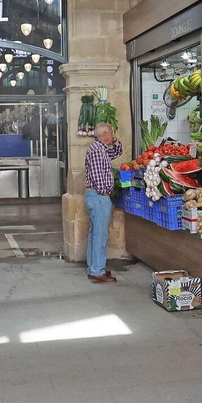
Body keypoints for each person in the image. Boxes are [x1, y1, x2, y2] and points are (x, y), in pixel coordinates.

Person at [82, 121, 123, 284]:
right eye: (111, 133)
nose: (113, 136)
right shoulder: (98, 151)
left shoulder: (101, 149)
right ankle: (97, 271)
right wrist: (105, 192)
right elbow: (99, 177)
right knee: (100, 235)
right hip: (99, 196)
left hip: (94, 196)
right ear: (104, 134)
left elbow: (117, 151)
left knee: (95, 233)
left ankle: (94, 267)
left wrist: (116, 140)